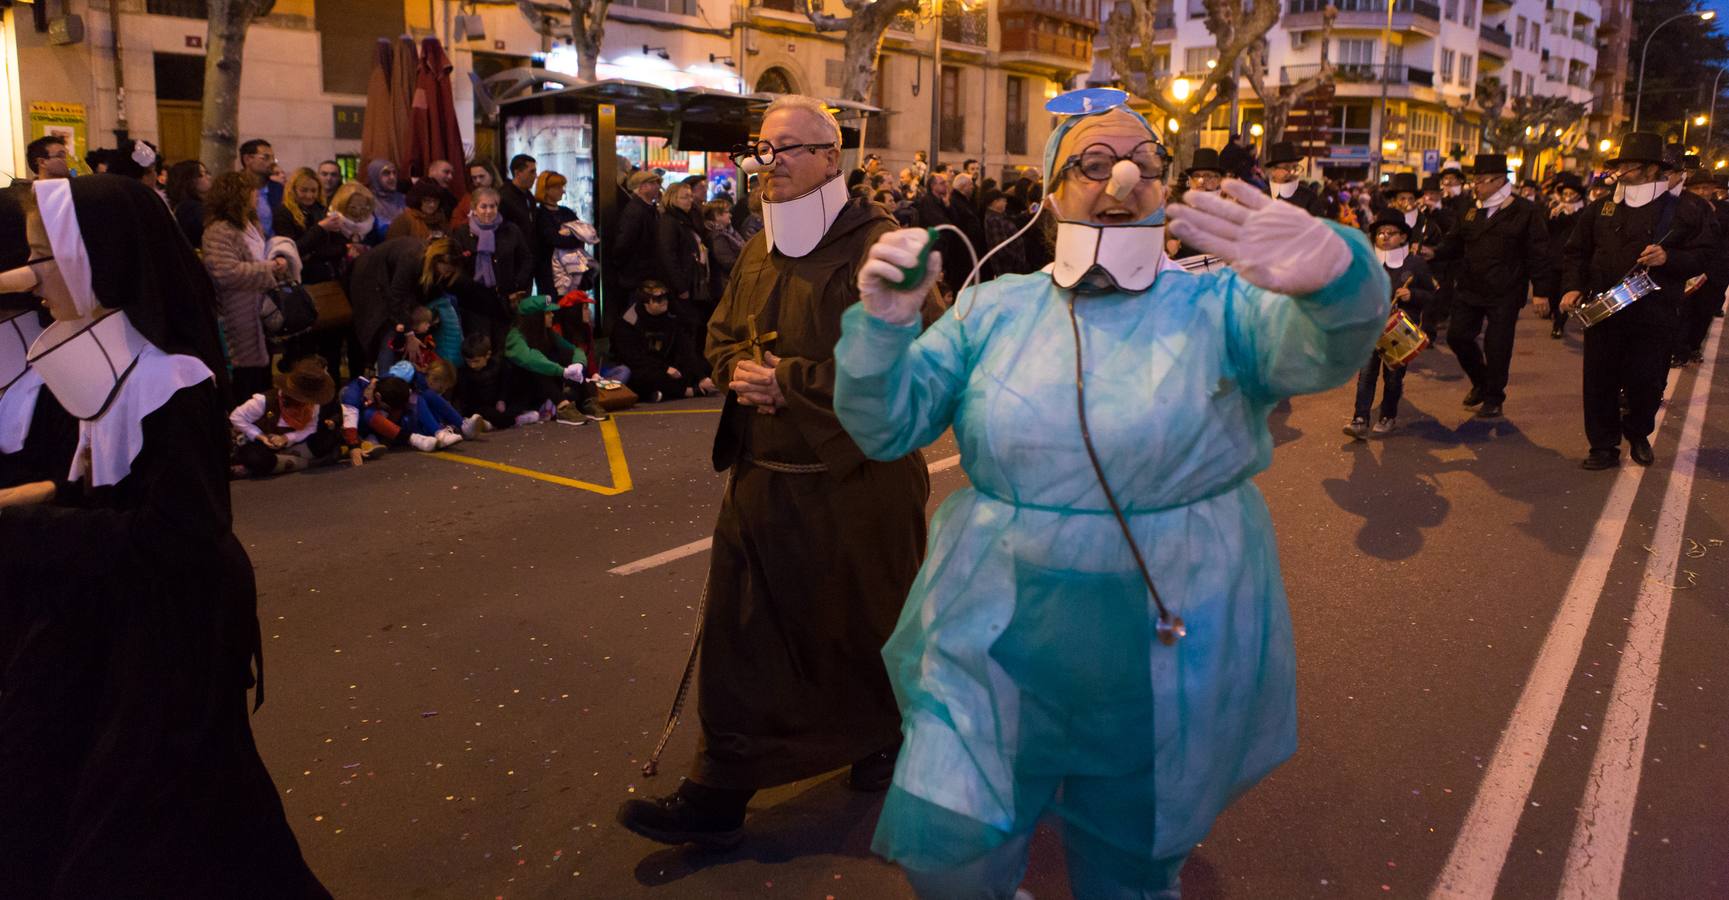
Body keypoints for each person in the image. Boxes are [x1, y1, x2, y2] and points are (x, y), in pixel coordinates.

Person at [831, 88, 1386, 898]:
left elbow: (1316, 354)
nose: (1121, 177)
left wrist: (1340, 279)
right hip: (992, 629)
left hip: (1161, 640)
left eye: (1143, 163)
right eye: (1092, 162)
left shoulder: (1221, 306)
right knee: (947, 845)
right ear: (1052, 195)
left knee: (1128, 862)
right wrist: (881, 327)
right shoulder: (992, 309)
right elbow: (887, 426)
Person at [616, 94, 940, 849]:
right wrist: (735, 369)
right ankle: (717, 790)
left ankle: (878, 734)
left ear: (835, 158)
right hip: (765, 477)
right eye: (764, 149)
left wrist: (789, 381)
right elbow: (724, 332)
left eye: (790, 147)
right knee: (745, 638)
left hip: (856, 483)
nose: (772, 163)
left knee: (858, 630)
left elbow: (917, 362)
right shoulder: (761, 245)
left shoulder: (884, 247)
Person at [0, 173, 329, 897]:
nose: (29, 280)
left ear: (97, 260)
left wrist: (28, 529)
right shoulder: (99, 356)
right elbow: (109, 490)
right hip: (141, 617)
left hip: (182, 628)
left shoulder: (171, 382)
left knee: (141, 816)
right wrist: (43, 498)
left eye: (42, 259)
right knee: (212, 810)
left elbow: (177, 533)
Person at [1558, 133, 1715, 470]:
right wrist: (1571, 287)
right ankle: (1602, 446)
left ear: (1649, 168)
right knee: (1599, 380)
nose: (1621, 171)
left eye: (1628, 165)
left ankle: (1639, 431)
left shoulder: (1685, 208)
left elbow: (1705, 256)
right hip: (1605, 311)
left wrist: (1668, 258)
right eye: (1620, 165)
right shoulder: (1601, 207)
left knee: (1647, 381)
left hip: (1654, 312)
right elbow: (1576, 252)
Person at [1428, 153, 1554, 419]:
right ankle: (1481, 381)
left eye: (1482, 181)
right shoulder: (1471, 209)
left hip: (1505, 291)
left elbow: (1538, 253)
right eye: (1475, 181)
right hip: (1470, 286)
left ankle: (1495, 396)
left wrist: (1541, 291)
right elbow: (1454, 242)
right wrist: (1434, 252)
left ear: (1500, 181)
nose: (1476, 186)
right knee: (1457, 336)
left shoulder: (1525, 211)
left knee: (1497, 346)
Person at [1346, 211, 1438, 439]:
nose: (1384, 237)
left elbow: (1432, 295)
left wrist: (1412, 295)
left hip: (1400, 331)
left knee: (1393, 377)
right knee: (1366, 375)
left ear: (1404, 237)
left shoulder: (1414, 264)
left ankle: (1388, 415)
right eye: (1380, 233)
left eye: (1391, 233)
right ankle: (1360, 418)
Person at [203, 172, 290, 400]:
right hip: (239, 312)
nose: (257, 196)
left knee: (264, 373)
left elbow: (259, 257)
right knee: (247, 379)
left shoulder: (252, 224)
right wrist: (268, 268)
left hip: (262, 309)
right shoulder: (219, 230)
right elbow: (225, 272)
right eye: (252, 191)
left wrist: (278, 263)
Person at [502, 294, 608, 424]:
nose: (552, 315)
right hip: (521, 391)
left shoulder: (547, 332)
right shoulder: (515, 336)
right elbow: (531, 359)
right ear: (536, 317)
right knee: (539, 367)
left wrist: (578, 364)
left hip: (543, 387)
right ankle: (563, 406)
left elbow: (574, 350)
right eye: (547, 313)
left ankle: (587, 401)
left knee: (566, 356)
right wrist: (562, 371)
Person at [229, 357, 341, 477]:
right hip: (261, 443)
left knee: (327, 440)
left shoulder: (313, 404)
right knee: (256, 458)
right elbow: (236, 417)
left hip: (291, 443)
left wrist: (285, 438)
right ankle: (305, 463)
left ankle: (279, 462)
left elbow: (310, 428)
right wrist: (261, 436)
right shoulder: (264, 401)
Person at [448, 186, 532, 346]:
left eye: (492, 206)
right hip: (475, 304)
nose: (488, 211)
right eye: (483, 206)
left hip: (506, 302)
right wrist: (470, 287)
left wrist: (517, 284)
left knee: (506, 346)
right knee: (480, 347)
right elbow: (455, 267)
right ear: (474, 208)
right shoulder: (462, 233)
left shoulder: (510, 230)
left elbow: (526, 259)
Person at [610, 280, 717, 402]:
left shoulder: (671, 318)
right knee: (644, 377)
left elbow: (685, 349)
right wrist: (665, 368)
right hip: (643, 366)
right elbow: (633, 357)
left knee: (701, 366)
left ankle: (660, 393)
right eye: (658, 299)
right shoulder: (628, 322)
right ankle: (688, 391)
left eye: (665, 297)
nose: (664, 302)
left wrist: (701, 377)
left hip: (666, 363)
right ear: (646, 302)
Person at [1679, 168, 1729, 361]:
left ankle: (1693, 347)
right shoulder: (1680, 209)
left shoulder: (1724, 211)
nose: (1701, 191)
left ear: (1713, 189)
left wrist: (1712, 269)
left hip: (1714, 272)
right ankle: (1680, 350)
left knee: (1704, 313)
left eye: (1705, 187)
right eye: (1696, 188)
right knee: (1683, 312)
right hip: (1688, 268)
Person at [656, 180, 713, 343]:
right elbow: (668, 255)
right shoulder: (669, 222)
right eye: (684, 197)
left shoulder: (688, 219)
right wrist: (680, 286)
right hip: (683, 284)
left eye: (690, 196)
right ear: (673, 199)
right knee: (688, 326)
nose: (690, 200)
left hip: (694, 281)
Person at [454, 333, 538, 430]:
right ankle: (512, 420)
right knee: (492, 415)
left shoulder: (497, 365)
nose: (472, 365)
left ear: (488, 355)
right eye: (469, 361)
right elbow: (466, 400)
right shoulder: (465, 373)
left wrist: (501, 399)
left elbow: (505, 383)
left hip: (497, 401)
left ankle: (498, 422)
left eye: (476, 361)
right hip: (481, 407)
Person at [1545, 172, 1587, 339]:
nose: (1568, 197)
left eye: (1571, 194)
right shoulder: (1555, 208)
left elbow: (1582, 233)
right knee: (1552, 291)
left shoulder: (1584, 211)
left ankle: (1559, 324)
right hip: (1554, 258)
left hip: (1572, 262)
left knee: (1565, 291)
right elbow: (1546, 231)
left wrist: (1572, 215)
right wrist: (1552, 215)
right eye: (1565, 194)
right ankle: (1555, 313)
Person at [532, 171, 584, 296]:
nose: (563, 191)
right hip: (548, 271)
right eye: (558, 187)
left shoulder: (567, 212)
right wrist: (569, 236)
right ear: (546, 189)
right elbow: (553, 240)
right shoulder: (539, 214)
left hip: (571, 268)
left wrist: (565, 236)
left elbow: (581, 235)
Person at [614, 171, 664, 301]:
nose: (657, 186)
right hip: (637, 277)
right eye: (652, 183)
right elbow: (624, 243)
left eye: (657, 183)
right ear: (640, 187)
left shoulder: (649, 209)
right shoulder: (635, 211)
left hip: (644, 274)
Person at [1263, 141, 1328, 216]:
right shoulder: (1263, 196)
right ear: (1273, 171)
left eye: (1295, 167)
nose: (1292, 172)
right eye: (1286, 167)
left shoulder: (1309, 197)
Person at [704, 199, 746, 301]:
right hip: (725, 284)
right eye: (726, 212)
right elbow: (727, 262)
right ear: (717, 216)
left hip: (732, 281)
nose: (730, 215)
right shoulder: (717, 236)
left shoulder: (728, 231)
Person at [238, 139, 282, 237]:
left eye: (273, 158)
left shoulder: (277, 188)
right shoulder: (234, 187)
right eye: (266, 158)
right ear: (247, 159)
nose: (272, 163)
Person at [166, 159, 212, 247]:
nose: (208, 177)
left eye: (207, 173)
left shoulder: (190, 205)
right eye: (201, 175)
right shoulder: (190, 208)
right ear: (187, 180)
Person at [499, 154, 539, 254]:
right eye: (531, 172)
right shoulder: (504, 197)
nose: (535, 176)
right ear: (518, 173)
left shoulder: (529, 196)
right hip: (513, 255)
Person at [450, 159, 501, 230]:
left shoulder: (502, 196)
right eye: (474, 178)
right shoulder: (468, 197)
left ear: (492, 175)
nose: (478, 181)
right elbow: (454, 224)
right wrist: (474, 220)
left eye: (481, 176)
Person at [364, 159, 407, 226]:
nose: (392, 177)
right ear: (375, 177)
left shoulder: (403, 199)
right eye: (386, 173)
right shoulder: (367, 202)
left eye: (394, 173)